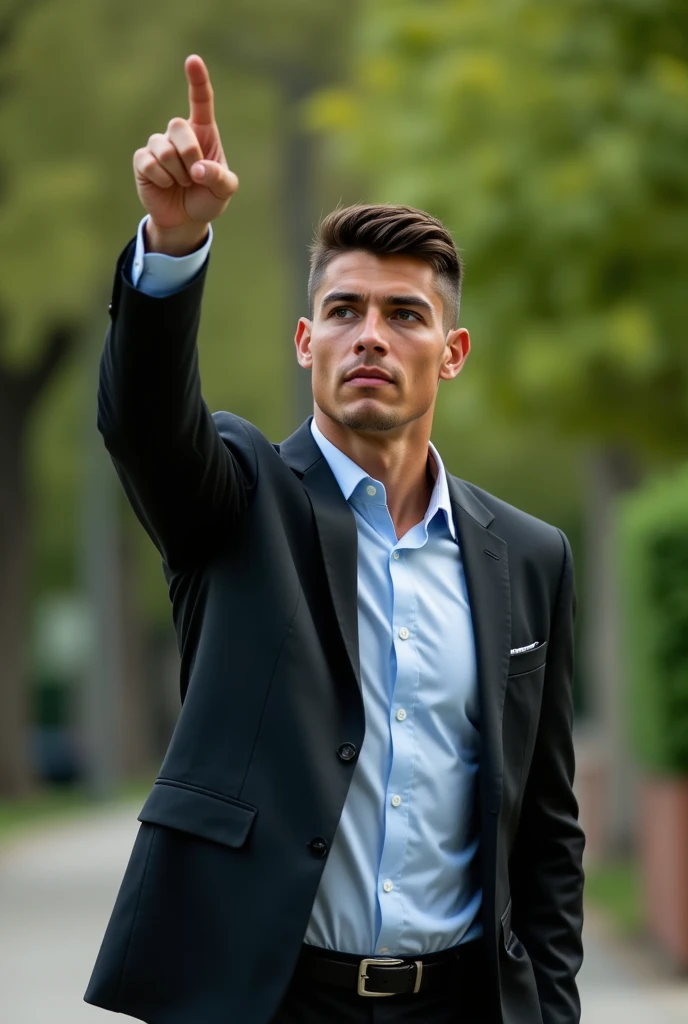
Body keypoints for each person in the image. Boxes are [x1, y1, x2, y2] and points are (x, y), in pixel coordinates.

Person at [85, 54, 585, 1024]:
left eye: (404, 315)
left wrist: (549, 1010)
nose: (371, 337)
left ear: (452, 352)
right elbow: (143, 422)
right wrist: (173, 243)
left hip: (460, 1002)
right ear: (305, 340)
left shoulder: (529, 555)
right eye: (345, 312)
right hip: (272, 999)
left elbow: (546, 830)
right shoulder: (234, 496)